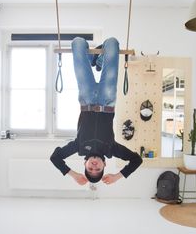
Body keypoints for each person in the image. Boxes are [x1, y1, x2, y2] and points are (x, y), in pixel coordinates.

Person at [50, 37, 142, 185]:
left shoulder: (78, 147)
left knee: (78, 43)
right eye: (98, 170)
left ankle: (96, 60)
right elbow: (137, 160)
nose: (94, 168)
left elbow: (55, 157)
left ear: (84, 164)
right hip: (107, 100)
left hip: (86, 99)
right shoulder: (111, 149)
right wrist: (117, 176)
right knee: (112, 43)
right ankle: (98, 61)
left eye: (90, 170)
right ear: (104, 165)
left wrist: (73, 175)